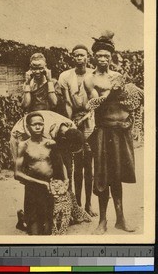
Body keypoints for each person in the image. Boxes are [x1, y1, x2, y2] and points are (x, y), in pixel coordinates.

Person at [84, 31, 136, 234]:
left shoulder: (119, 77)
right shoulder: (90, 79)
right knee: (102, 176)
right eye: (100, 56)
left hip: (121, 132)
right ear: (94, 57)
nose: (103, 59)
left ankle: (121, 219)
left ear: (111, 57)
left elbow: (129, 103)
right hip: (103, 132)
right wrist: (111, 92)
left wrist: (129, 120)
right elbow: (95, 104)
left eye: (107, 56)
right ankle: (102, 221)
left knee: (118, 174)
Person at [59, 45, 97, 217]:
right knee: (74, 167)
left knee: (88, 166)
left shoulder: (93, 74)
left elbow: (96, 101)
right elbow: (67, 102)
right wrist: (70, 123)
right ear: (72, 57)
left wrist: (89, 117)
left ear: (87, 56)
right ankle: (77, 206)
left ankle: (89, 204)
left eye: (82, 55)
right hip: (73, 122)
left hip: (91, 122)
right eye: (76, 55)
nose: (79, 58)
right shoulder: (65, 76)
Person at [15, 112, 67, 235]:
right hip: (32, 189)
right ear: (28, 127)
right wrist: (41, 183)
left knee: (47, 230)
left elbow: (61, 164)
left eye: (40, 124)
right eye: (34, 125)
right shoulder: (24, 145)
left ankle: (24, 219)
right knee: (34, 232)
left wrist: (66, 180)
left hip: (49, 189)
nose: (38, 127)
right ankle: (24, 219)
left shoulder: (50, 143)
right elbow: (17, 173)